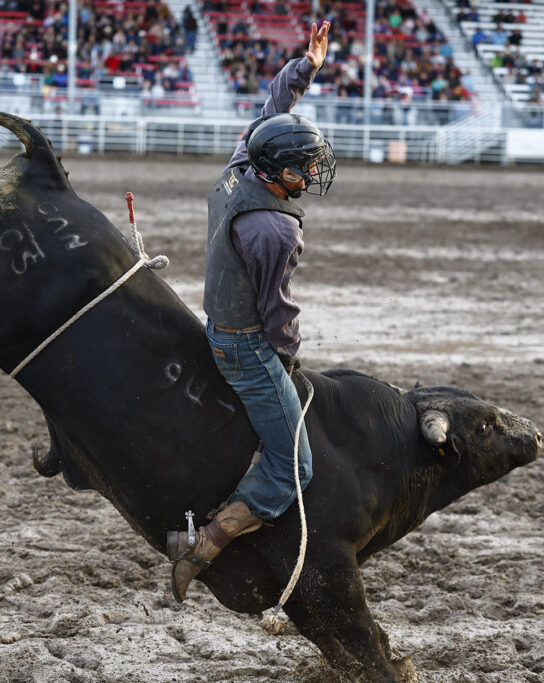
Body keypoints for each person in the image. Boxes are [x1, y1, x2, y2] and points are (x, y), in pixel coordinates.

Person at [167, 20, 336, 603]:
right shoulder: (273, 229)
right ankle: (208, 540)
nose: (313, 173)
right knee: (296, 468)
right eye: (306, 166)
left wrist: (305, 69)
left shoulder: (241, 166)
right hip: (245, 347)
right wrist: (287, 359)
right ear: (281, 171)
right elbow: (277, 312)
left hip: (218, 322)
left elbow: (273, 108)